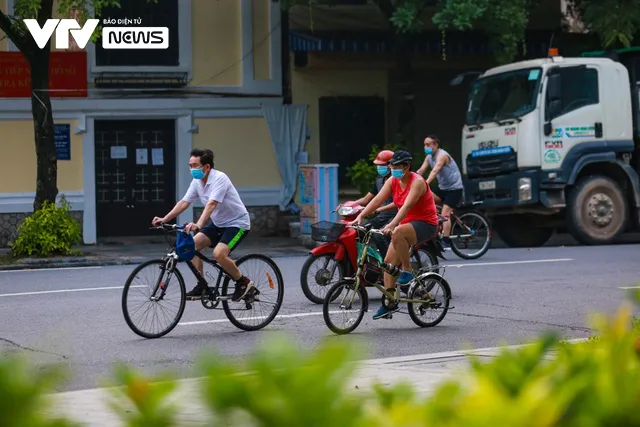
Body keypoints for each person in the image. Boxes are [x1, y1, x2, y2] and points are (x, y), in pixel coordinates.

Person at [151, 148, 253, 302]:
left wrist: (198, 224)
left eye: (196, 166)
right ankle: (202, 285)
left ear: (207, 167)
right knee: (191, 246)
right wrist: (165, 219)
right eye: (190, 166)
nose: (192, 169)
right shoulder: (197, 182)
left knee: (219, 254)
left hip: (237, 224)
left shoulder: (220, 178)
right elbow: (184, 202)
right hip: (218, 223)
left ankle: (243, 282)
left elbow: (211, 204)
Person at [348, 150, 439, 319]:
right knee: (388, 265)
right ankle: (389, 303)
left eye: (397, 166)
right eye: (392, 166)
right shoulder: (393, 180)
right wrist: (360, 215)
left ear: (407, 167)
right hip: (406, 225)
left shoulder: (417, 182)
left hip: (426, 224)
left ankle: (407, 270)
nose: (393, 169)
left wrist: (391, 224)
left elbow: (406, 207)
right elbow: (376, 200)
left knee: (397, 232)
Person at [416, 135, 464, 249]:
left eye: (428, 144)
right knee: (425, 197)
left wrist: (425, 183)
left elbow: (435, 170)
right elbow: (421, 170)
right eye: (424, 145)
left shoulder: (442, 155)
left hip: (454, 189)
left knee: (445, 213)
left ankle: (446, 241)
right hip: (443, 188)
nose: (426, 147)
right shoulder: (429, 157)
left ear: (436, 145)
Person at [352, 149, 397, 257]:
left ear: (390, 165)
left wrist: (379, 209)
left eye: (382, 165)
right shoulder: (379, 181)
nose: (379, 168)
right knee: (358, 232)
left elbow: (399, 202)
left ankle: (388, 264)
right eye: (378, 165)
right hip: (381, 217)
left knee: (378, 235)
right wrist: (350, 205)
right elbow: (367, 199)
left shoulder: (397, 181)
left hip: (394, 217)